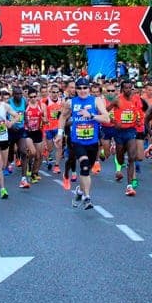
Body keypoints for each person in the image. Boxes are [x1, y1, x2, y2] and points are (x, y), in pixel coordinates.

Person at [56, 77, 109, 210]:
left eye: (85, 88)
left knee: (87, 171)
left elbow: (107, 118)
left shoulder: (96, 100)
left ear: (89, 89)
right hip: (77, 141)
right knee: (84, 166)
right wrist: (59, 133)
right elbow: (63, 116)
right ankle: (87, 197)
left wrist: (91, 115)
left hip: (92, 142)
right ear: (76, 90)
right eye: (79, 88)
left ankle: (80, 191)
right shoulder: (70, 102)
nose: (82, 90)